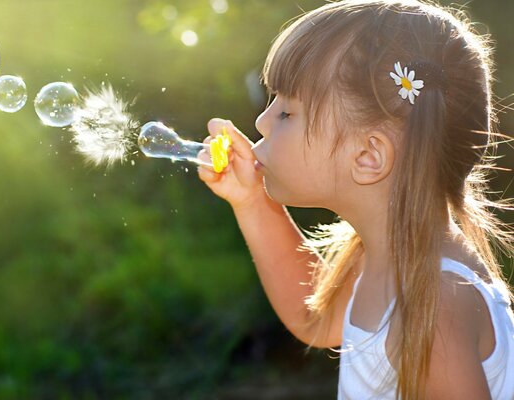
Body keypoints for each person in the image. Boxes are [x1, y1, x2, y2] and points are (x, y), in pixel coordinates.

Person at [197, 1, 514, 399]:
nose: (261, 121)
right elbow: (314, 318)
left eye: (286, 112)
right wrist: (252, 201)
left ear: (368, 156)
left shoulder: (437, 308)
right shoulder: (384, 257)